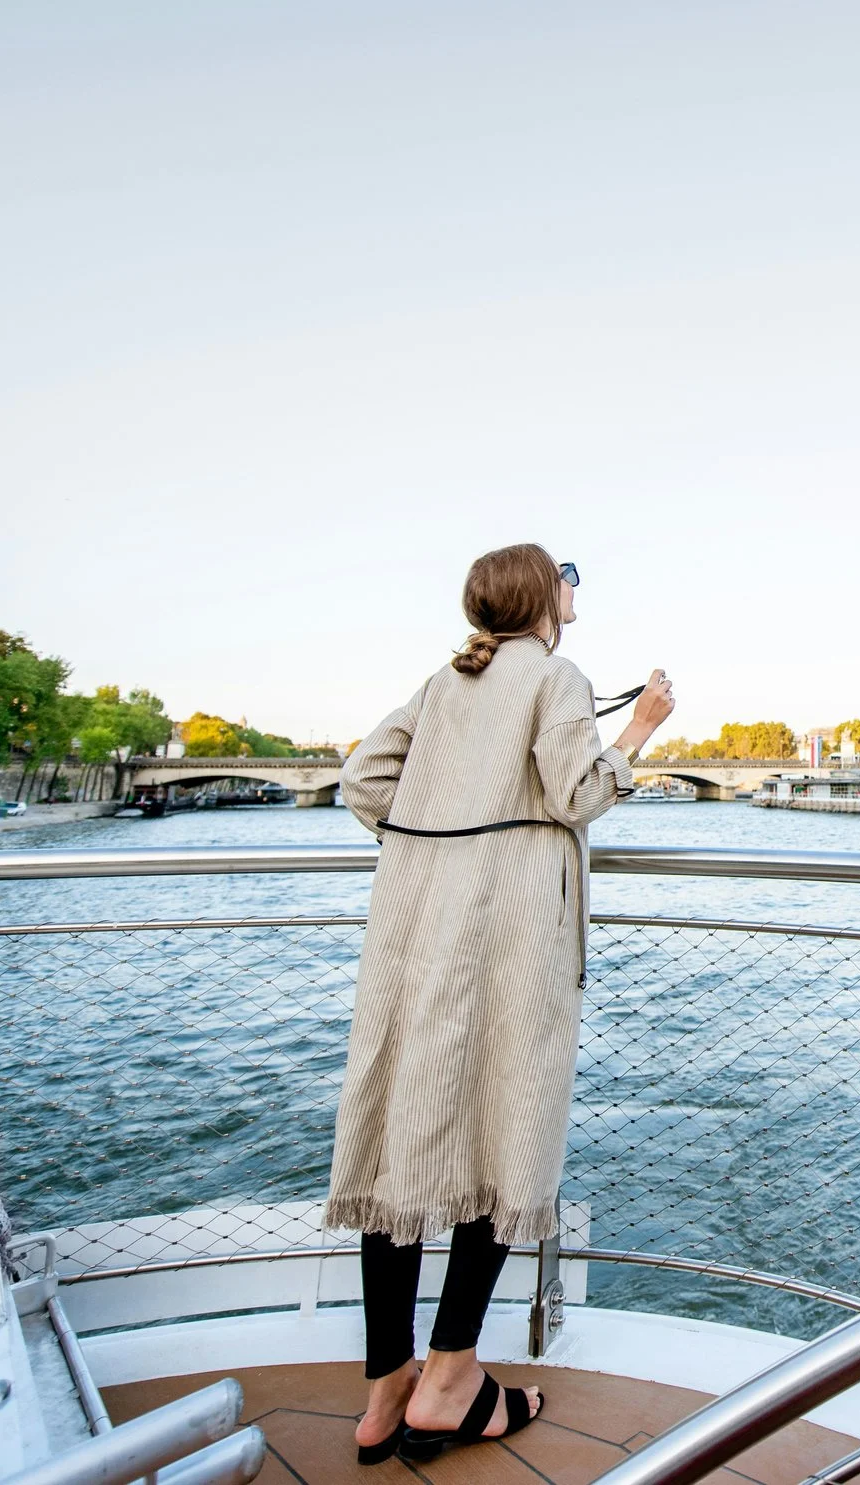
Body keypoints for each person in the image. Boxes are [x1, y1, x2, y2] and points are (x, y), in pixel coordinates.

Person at [327, 543, 674, 1464]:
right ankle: (450, 1380)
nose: (576, 583)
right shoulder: (556, 676)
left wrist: (438, 839)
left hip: (417, 940)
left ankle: (383, 1389)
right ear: (544, 596)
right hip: (511, 946)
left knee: (404, 1146)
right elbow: (576, 791)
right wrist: (637, 728)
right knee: (504, 1135)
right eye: (569, 571)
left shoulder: (448, 681)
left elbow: (362, 782)